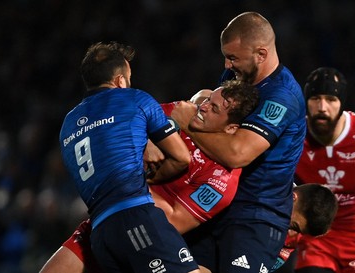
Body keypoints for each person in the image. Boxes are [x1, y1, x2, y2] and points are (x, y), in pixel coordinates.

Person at [41, 83, 337, 273]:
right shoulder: (182, 112)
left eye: (214, 107)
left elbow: (170, 221)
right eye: (209, 98)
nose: (204, 105)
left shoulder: (222, 181)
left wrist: (131, 178)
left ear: (232, 128)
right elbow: (121, 130)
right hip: (108, 218)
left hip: (138, 229)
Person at [171, 11, 306, 273]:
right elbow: (211, 114)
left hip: (255, 216)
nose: (226, 65)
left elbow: (237, 153)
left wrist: (189, 123)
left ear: (262, 54)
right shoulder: (237, 78)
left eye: (233, 58)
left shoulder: (282, 95)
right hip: (216, 204)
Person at [58, 41, 200, 273]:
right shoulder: (135, 99)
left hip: (101, 235)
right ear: (120, 81)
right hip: (135, 218)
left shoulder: (68, 124)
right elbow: (181, 158)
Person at [292, 67, 355, 273]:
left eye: (331, 99)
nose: (322, 107)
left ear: (341, 104)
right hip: (318, 244)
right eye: (315, 98)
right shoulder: (293, 138)